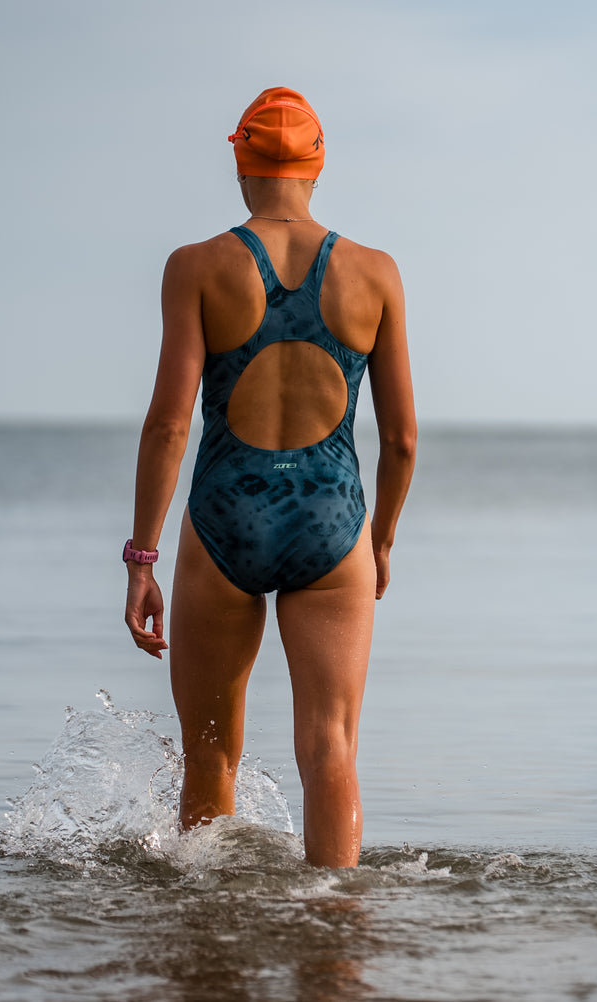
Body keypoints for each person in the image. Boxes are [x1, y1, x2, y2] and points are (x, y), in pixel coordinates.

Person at [122, 86, 416, 867]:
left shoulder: (196, 267)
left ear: (240, 159)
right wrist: (380, 540)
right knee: (331, 750)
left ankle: (208, 943)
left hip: (225, 521)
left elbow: (168, 426)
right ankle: (335, 930)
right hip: (333, 522)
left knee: (210, 759)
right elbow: (403, 439)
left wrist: (142, 559)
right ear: (318, 163)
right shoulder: (375, 272)